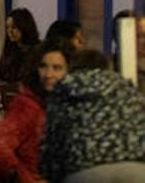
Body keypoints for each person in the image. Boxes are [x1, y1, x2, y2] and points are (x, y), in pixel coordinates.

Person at [40, 49, 145, 182]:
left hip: (85, 172)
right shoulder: (128, 90)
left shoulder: (64, 91)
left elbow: (52, 146)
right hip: (136, 169)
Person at [0, 40, 68, 182]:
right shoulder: (27, 105)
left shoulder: (65, 104)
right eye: (43, 66)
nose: (48, 74)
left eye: (57, 68)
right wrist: (24, 178)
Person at [0, 8, 42, 94]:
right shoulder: (10, 49)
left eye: (14, 27)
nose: (9, 31)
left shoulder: (38, 50)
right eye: (7, 27)